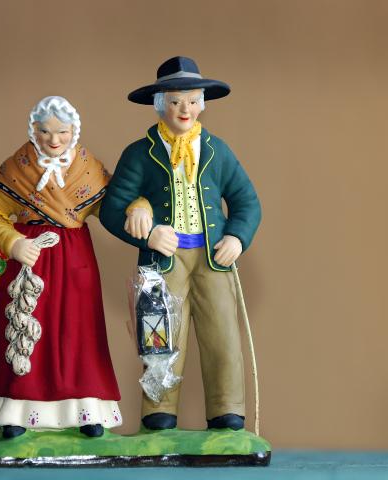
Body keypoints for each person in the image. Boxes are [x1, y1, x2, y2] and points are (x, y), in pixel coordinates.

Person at [100, 57, 261, 431]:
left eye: (191, 101)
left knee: (222, 335)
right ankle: (159, 409)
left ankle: (227, 408)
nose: (184, 109)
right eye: (175, 101)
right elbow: (111, 209)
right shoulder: (139, 153)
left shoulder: (217, 150)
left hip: (212, 258)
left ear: (202, 104)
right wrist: (147, 230)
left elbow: (247, 201)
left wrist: (236, 236)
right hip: (162, 262)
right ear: (161, 105)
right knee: (159, 334)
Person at [0, 96, 121, 439]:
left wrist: (138, 207)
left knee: (80, 333)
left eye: (62, 132)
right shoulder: (17, 168)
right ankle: (17, 410)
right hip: (29, 259)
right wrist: (13, 242)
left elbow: (114, 208)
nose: (54, 140)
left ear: (74, 132)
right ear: (33, 131)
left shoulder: (89, 169)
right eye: (45, 132)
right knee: (26, 331)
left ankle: (86, 408)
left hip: (75, 260)